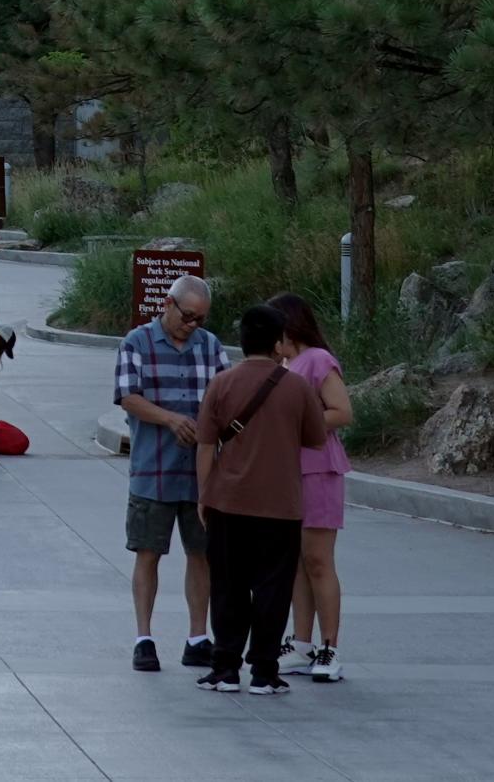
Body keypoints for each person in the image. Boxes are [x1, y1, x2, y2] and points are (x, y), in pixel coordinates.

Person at [194, 303, 330, 697]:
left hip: (226, 502)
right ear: (278, 343)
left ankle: (225, 668)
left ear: (241, 341)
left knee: (228, 586)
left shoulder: (221, 383)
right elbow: (315, 438)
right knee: (273, 588)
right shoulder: (297, 387)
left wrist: (204, 494)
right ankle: (264, 672)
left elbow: (206, 445)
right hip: (281, 505)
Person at [114, 274, 227, 672]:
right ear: (168, 304)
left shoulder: (211, 347)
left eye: (200, 318)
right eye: (188, 315)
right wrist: (170, 419)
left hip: (201, 473)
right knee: (148, 553)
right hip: (153, 469)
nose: (192, 324)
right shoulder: (136, 342)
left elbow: (226, 399)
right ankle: (144, 638)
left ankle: (197, 637)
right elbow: (127, 396)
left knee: (202, 554)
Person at [267, 291, 354, 681]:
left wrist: (298, 423)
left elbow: (342, 411)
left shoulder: (317, 359)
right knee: (297, 562)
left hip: (318, 470)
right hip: (288, 472)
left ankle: (329, 647)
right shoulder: (286, 365)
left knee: (318, 560)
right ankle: (301, 643)